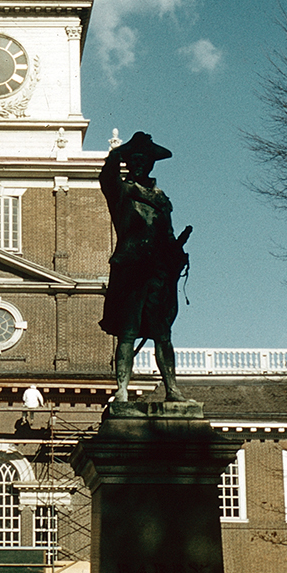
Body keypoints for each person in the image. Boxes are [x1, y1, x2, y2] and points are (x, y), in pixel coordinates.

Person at [98, 132, 191, 402]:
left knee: (163, 334)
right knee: (127, 332)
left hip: (158, 272)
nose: (139, 164)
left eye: (144, 160)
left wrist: (177, 251)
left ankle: (172, 388)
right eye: (134, 160)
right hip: (132, 269)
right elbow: (107, 177)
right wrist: (118, 154)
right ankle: (123, 389)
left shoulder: (162, 199)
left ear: (151, 164)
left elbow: (168, 235)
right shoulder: (122, 191)